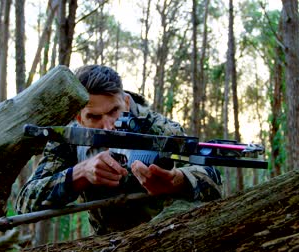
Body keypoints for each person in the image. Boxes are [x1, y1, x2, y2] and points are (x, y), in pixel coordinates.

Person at [16, 65, 223, 235]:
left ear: (125, 102)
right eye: (94, 117)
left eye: (114, 111)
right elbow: (25, 202)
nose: (108, 126)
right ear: (79, 118)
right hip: (106, 246)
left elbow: (213, 180)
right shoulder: (69, 138)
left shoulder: (158, 128)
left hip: (164, 235)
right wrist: (80, 174)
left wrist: (175, 180)